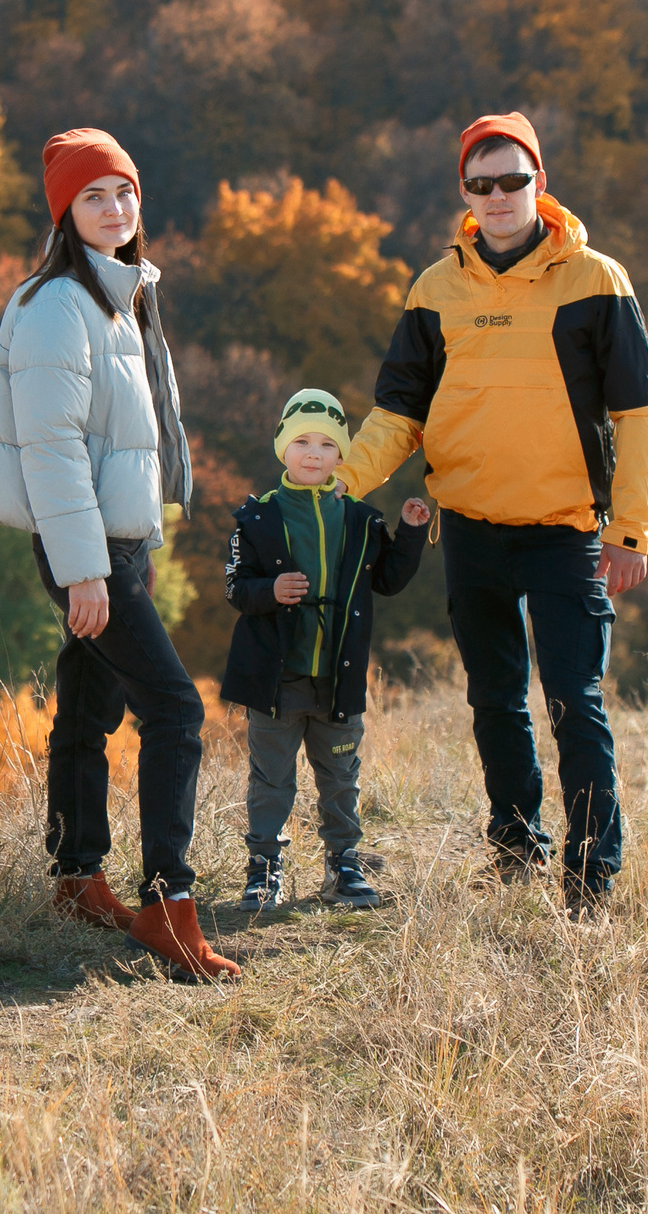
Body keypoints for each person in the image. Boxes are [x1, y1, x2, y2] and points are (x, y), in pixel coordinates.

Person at [336, 112, 648, 913]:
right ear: (465, 194)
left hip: (567, 535)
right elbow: (399, 415)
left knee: (573, 705)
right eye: (480, 185)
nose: (498, 197)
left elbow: (641, 414)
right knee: (494, 701)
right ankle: (516, 852)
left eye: (512, 181)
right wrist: (333, 490)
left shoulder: (595, 280)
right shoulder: (436, 289)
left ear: (540, 185)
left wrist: (629, 531)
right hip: (473, 533)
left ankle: (591, 884)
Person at [0, 127, 240, 982]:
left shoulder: (119, 295)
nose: (115, 207)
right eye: (94, 196)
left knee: (89, 709)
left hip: (116, 539)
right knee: (176, 711)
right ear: (64, 213)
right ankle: (167, 906)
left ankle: (78, 879)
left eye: (123, 191)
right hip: (86, 546)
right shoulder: (57, 306)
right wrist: (85, 567)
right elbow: (49, 446)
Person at [219, 388, 430, 914]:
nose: (313, 453)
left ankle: (345, 865)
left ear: (342, 455)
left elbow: (387, 581)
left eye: (326, 444)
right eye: (302, 442)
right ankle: (264, 870)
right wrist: (270, 592)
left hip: (338, 676)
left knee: (340, 778)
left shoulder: (360, 519)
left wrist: (409, 534)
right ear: (282, 449)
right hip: (277, 679)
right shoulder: (257, 517)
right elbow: (235, 588)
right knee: (271, 781)